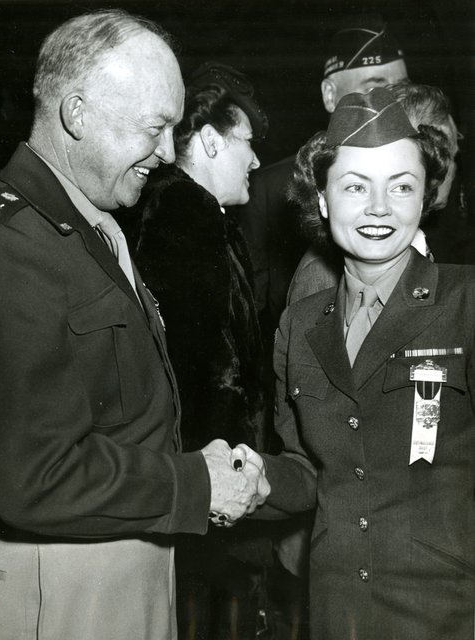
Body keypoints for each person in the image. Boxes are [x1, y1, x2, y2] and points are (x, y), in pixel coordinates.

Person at [0, 11, 269, 640]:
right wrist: (196, 484)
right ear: (76, 114)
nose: (167, 153)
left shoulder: (95, 226)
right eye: (155, 127)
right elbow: (33, 474)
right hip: (62, 596)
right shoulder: (8, 247)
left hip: (126, 573)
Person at [239, 87, 474, 639]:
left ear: (425, 198)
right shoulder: (299, 325)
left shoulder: (465, 304)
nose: (378, 209)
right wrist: (251, 476)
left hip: (450, 612)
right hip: (338, 607)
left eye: (401, 187)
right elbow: (305, 469)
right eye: (354, 187)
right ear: (321, 199)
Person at [135, 61, 271, 640]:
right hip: (205, 470)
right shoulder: (185, 211)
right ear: (211, 141)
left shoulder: (196, 211)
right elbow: (197, 361)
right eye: (248, 143)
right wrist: (223, 466)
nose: (258, 160)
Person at [235, 16, 408, 331]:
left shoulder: (424, 180)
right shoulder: (269, 189)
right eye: (374, 89)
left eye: (402, 90)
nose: (393, 104)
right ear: (330, 95)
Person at [288, 81, 466, 304]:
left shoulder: (430, 241)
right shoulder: (322, 277)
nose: (450, 168)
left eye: (401, 187)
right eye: (444, 153)